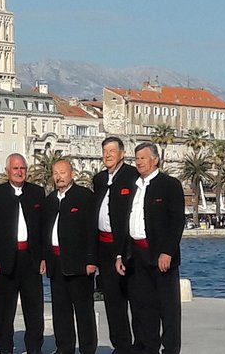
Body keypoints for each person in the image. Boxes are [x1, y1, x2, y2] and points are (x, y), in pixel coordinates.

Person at [115, 142, 185, 354]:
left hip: (160, 255)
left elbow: (177, 221)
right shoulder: (132, 185)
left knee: (168, 308)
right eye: (136, 159)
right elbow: (124, 223)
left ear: (155, 160)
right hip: (135, 256)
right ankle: (147, 348)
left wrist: (168, 251)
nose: (138, 162)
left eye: (143, 158)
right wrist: (120, 254)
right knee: (142, 306)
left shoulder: (169, 185)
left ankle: (170, 349)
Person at [0, 153, 45, 354]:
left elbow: (43, 229)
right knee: (4, 310)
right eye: (16, 168)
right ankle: (5, 348)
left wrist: (43, 257)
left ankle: (35, 348)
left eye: (23, 168)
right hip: (5, 261)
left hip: (31, 259)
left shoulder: (37, 193)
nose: (19, 172)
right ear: (7, 171)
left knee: (34, 309)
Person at [43, 160, 97, 354]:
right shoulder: (49, 200)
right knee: (60, 310)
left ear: (71, 174)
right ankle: (64, 348)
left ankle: (87, 349)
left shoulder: (84, 197)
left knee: (83, 311)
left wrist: (91, 260)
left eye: (63, 172)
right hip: (56, 264)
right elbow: (44, 232)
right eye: (55, 173)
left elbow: (92, 231)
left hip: (80, 264)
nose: (59, 176)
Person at [92, 136, 140, 354]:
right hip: (104, 247)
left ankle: (140, 345)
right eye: (104, 151)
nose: (108, 155)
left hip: (127, 247)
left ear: (122, 153)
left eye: (112, 150)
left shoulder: (133, 177)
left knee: (135, 298)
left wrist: (126, 250)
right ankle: (121, 346)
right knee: (112, 299)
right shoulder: (99, 179)